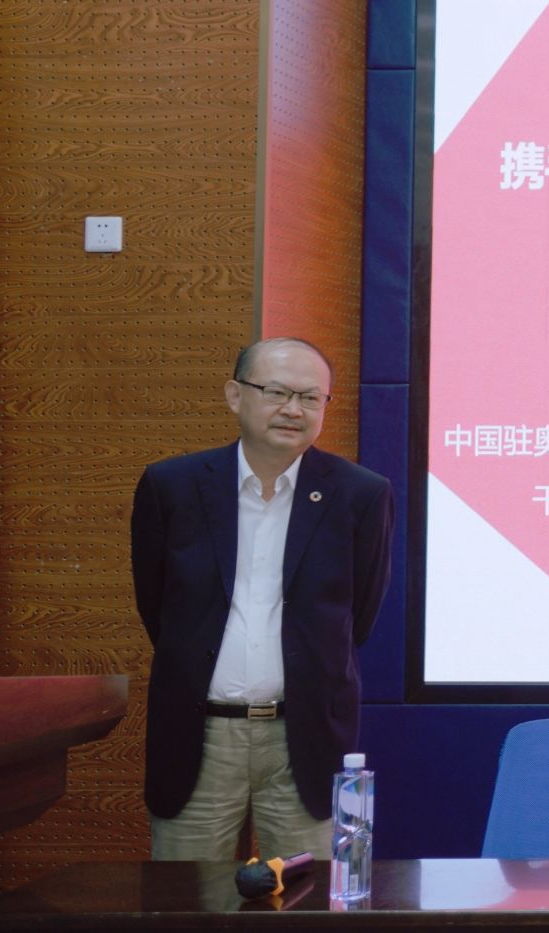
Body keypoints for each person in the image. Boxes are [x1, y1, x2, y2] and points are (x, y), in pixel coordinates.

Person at [130, 337, 394, 859]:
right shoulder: (172, 486)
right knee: (186, 897)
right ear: (235, 395)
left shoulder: (361, 494)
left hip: (307, 738)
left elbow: (359, 614)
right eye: (277, 392)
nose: (294, 409)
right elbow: (156, 606)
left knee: (310, 896)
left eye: (311, 398)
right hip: (200, 734)